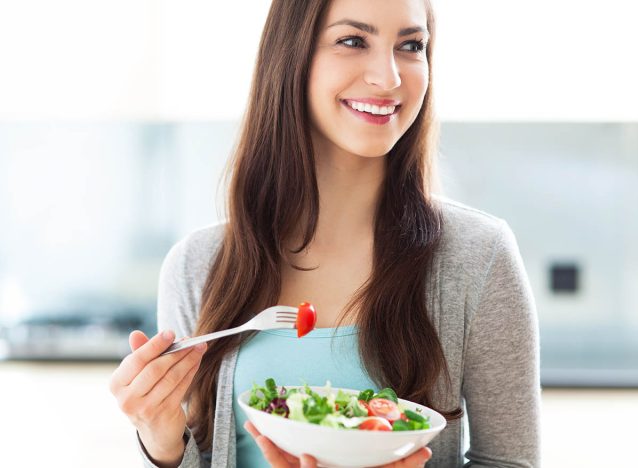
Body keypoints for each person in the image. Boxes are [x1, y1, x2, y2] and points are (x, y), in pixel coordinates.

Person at [109, 0, 541, 466]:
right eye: (353, 41)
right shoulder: (199, 265)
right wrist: (162, 440)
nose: (389, 76)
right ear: (291, 56)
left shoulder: (479, 258)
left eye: (411, 45)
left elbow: (511, 461)